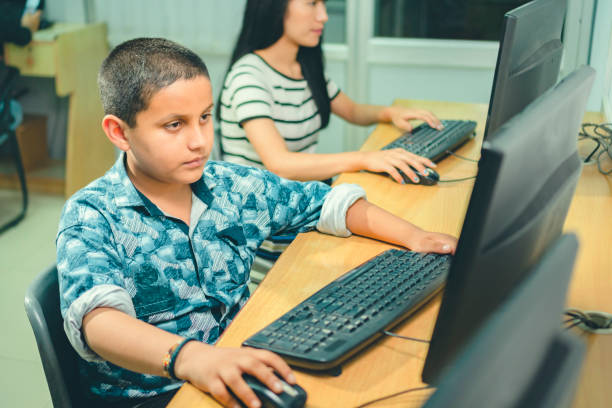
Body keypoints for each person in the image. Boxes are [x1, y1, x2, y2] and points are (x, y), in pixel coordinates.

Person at [56, 37, 457, 408]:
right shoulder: (92, 215)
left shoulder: (231, 185)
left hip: (240, 361)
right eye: (174, 125)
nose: (199, 140)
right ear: (119, 133)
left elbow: (329, 204)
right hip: (156, 393)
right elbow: (100, 322)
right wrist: (192, 359)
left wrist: (414, 236)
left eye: (205, 118)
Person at [217, 0, 444, 186]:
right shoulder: (248, 77)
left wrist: (390, 112)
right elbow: (279, 163)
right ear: (274, 8)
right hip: (262, 220)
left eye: (323, 4)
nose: (324, 16)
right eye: (312, 3)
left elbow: (353, 111)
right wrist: (365, 158)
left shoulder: (303, 67)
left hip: (297, 197)